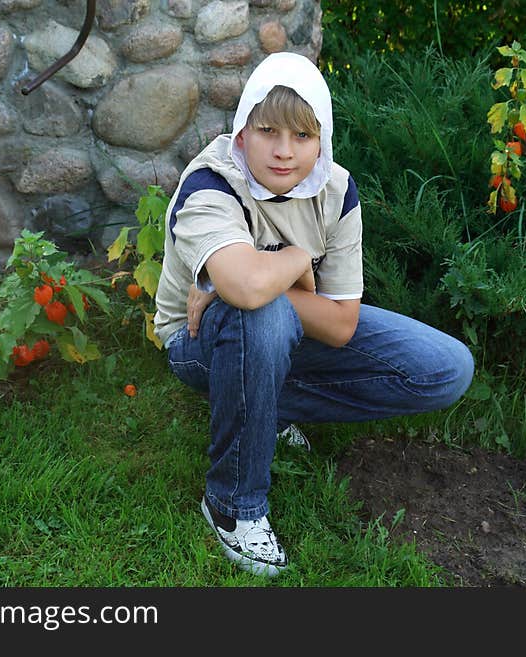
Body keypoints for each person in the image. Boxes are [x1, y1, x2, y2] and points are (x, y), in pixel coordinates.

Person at [153, 52, 474, 576]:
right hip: (195, 347)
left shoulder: (337, 190)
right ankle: (233, 505)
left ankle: (266, 406)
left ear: (321, 138)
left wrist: (258, 276)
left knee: (446, 368)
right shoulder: (210, 183)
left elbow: (342, 323)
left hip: (285, 330)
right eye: (269, 131)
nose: (284, 152)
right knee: (260, 315)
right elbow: (250, 291)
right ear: (241, 133)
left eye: (302, 136)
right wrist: (297, 262)